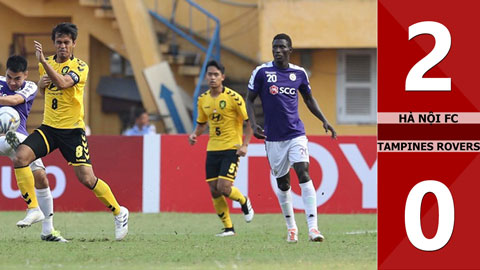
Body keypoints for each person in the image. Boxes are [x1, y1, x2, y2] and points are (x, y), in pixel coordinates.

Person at [8, 22, 129, 241]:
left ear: (74, 44)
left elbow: (64, 83)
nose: (62, 46)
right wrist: (42, 86)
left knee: (86, 178)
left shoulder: (80, 66)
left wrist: (43, 62)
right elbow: (51, 94)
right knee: (20, 157)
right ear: (54, 43)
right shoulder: (48, 65)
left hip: (72, 132)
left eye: (66, 42)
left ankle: (119, 212)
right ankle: (33, 208)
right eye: (58, 42)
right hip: (49, 128)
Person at [246, 33, 336, 243]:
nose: (277, 50)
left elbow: (309, 99)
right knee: (283, 184)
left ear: (289, 50)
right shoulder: (262, 72)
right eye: (274, 47)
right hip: (273, 138)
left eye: (282, 47)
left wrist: (324, 120)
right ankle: (291, 228)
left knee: (303, 171)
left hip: (296, 133)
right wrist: (253, 124)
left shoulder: (299, 73)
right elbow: (249, 99)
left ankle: (313, 228)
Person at [0, 55, 67, 242]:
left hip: (20, 135)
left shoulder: (30, 86)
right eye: (9, 77)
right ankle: (33, 209)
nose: (12, 82)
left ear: (25, 75)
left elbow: (14, 100)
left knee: (41, 177)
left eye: (17, 78)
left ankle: (47, 230)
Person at [189, 60, 254, 237]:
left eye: (216, 74)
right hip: (212, 148)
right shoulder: (203, 99)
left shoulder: (234, 98)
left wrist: (245, 145)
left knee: (224, 187)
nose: (212, 77)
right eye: (209, 74)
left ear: (222, 77)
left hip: (231, 147)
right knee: (213, 189)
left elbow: (250, 123)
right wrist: (195, 134)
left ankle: (243, 201)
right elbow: (202, 123)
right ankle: (228, 228)